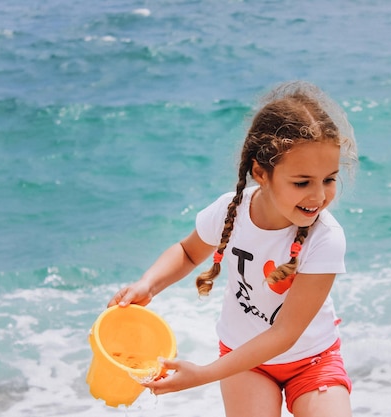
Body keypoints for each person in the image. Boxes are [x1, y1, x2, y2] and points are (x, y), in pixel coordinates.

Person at [107, 80, 358, 417]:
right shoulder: (232, 210)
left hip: (311, 359)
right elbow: (187, 252)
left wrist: (203, 374)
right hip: (244, 359)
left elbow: (285, 332)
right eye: (302, 182)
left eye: (329, 179)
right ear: (261, 172)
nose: (319, 195)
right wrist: (148, 285)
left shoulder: (326, 237)